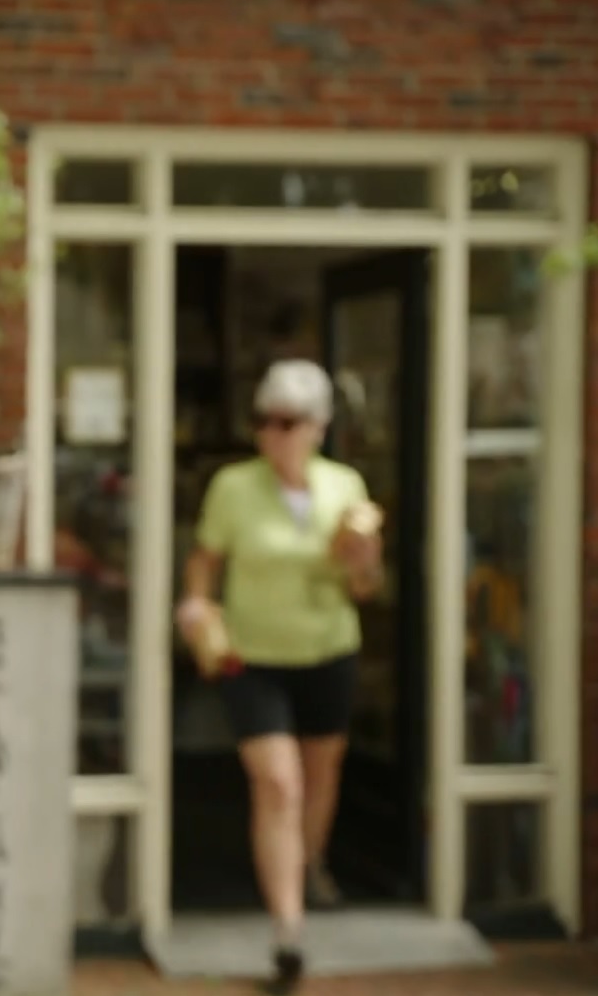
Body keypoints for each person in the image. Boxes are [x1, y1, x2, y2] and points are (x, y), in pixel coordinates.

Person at [174, 359, 383, 994]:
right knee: (277, 783)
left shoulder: (345, 487)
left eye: (287, 421)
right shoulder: (234, 486)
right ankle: (288, 928)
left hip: (327, 649)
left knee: (320, 774)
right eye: (263, 420)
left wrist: (364, 559)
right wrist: (195, 604)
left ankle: (309, 861)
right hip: (253, 655)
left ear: (317, 427)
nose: (272, 433)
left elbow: (365, 589)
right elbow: (205, 560)